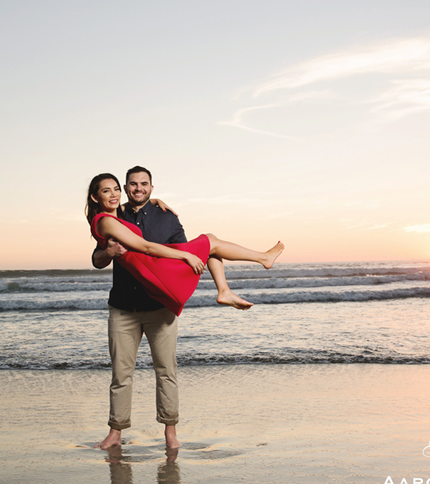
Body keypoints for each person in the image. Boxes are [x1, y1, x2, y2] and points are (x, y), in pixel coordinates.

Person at [89, 167, 284, 450]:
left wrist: (162, 214)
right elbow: (100, 257)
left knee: (167, 371)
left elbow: (176, 245)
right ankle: (115, 432)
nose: (136, 189)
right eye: (131, 184)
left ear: (152, 188)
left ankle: (170, 433)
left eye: (143, 184)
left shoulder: (166, 216)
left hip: (159, 302)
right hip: (124, 306)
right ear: (122, 189)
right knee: (121, 375)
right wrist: (107, 253)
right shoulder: (114, 215)